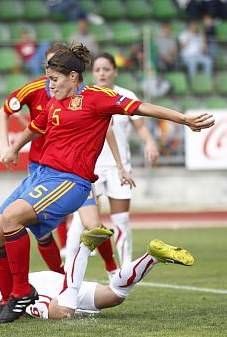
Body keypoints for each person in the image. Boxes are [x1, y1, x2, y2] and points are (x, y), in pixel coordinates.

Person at [0, 44, 213, 324]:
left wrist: (183, 119)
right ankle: (6, 296)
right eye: (48, 79)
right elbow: (36, 126)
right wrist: (12, 148)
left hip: (69, 181)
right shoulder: (55, 101)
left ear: (72, 76)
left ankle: (22, 293)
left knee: (12, 218)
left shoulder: (97, 97)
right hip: (41, 175)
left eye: (54, 80)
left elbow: (140, 108)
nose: (50, 85)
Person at [0, 43, 130, 279]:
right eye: (49, 72)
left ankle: (111, 268)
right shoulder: (36, 90)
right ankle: (59, 277)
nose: (51, 78)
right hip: (41, 168)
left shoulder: (84, 95)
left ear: (71, 73)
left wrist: (120, 164)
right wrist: (8, 147)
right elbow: (9, 113)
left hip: (75, 172)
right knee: (40, 231)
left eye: (55, 73)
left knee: (92, 223)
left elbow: (106, 125)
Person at [0, 237, 195, 320]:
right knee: (113, 297)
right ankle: (153, 256)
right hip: (39, 284)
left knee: (62, 313)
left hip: (34, 290)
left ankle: (83, 248)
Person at [64, 52, 160, 270]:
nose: (102, 73)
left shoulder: (126, 95)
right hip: (91, 167)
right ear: (92, 73)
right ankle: (70, 268)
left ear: (115, 71)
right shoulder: (82, 97)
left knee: (121, 221)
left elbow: (140, 127)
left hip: (120, 167)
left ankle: (126, 268)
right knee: (82, 221)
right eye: (97, 69)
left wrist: (150, 142)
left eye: (106, 69)